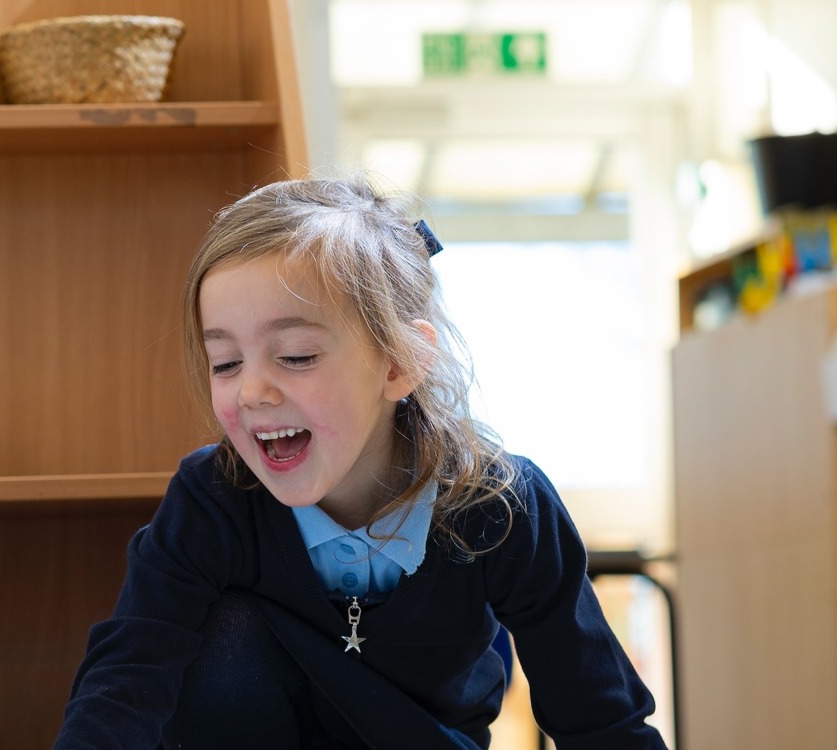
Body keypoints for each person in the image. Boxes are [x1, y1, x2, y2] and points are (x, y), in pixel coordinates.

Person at [55, 178, 665, 749]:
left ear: (399, 364)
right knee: (223, 628)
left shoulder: (500, 503)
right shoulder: (213, 496)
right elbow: (127, 673)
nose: (251, 391)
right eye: (226, 363)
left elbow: (601, 715)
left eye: (295, 356)